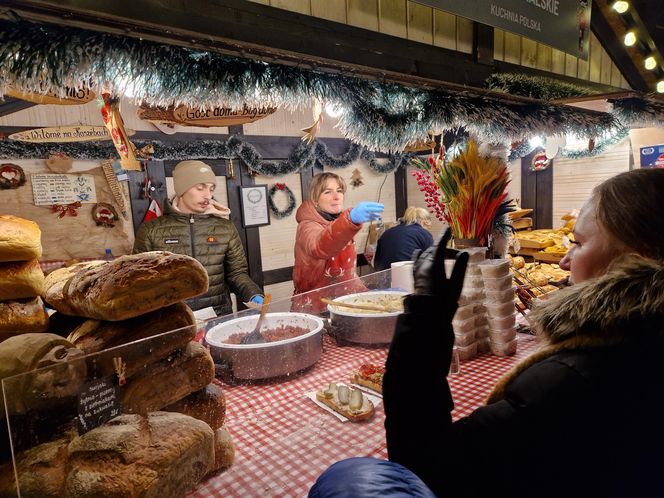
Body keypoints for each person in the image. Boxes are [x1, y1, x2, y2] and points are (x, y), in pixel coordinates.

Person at [309, 168, 664, 498]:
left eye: (579, 242)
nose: (564, 261)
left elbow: (429, 464)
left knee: (347, 478)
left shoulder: (573, 380)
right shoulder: (640, 342)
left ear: (632, 261)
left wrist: (425, 322)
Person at [133, 160, 263, 316]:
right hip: (174, 321)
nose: (208, 195)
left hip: (218, 316)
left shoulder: (225, 228)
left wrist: (254, 294)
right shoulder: (150, 230)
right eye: (200, 188)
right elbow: (139, 281)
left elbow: (236, 273)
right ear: (182, 189)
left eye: (211, 188)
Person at [292, 172, 383, 312]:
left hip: (343, 303)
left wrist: (367, 295)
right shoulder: (308, 226)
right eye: (328, 192)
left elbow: (347, 273)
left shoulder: (339, 222)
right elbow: (319, 247)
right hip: (317, 308)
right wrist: (349, 220)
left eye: (339, 191)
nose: (336, 196)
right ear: (315, 199)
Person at [373, 206, 433, 271]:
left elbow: (376, 262)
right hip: (408, 275)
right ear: (423, 222)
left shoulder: (387, 232)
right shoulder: (423, 233)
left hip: (385, 276)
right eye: (427, 226)